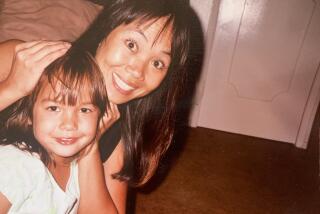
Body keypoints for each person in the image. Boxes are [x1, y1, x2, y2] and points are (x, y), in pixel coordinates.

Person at [0, 0, 196, 212]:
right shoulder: (31, 63)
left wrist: (90, 146)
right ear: (106, 31)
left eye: (158, 63)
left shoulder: (115, 130)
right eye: (131, 45)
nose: (137, 71)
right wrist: (12, 88)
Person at [0, 50, 119, 213]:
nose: (69, 125)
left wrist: (92, 147)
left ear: (100, 117)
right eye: (54, 108)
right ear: (29, 113)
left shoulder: (80, 166)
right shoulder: (15, 165)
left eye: (84, 110)